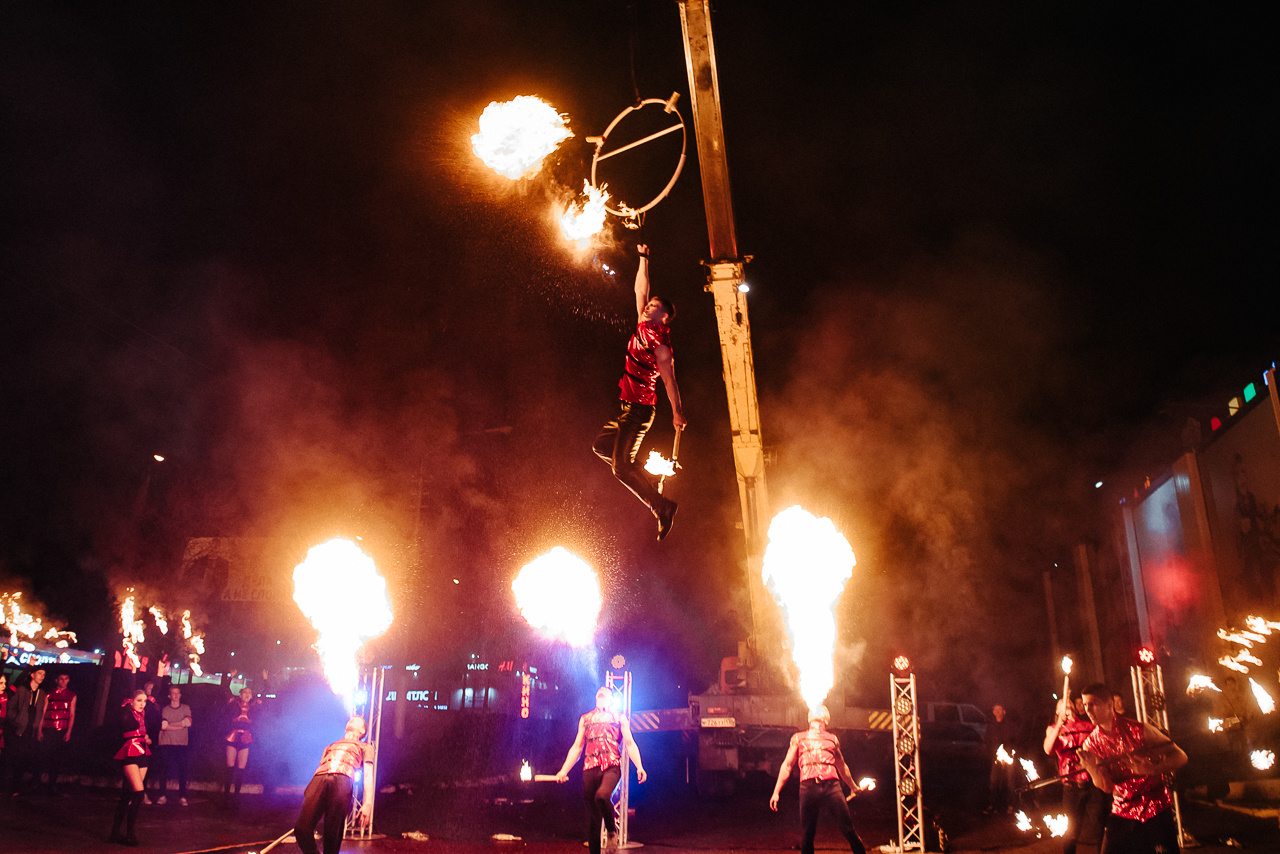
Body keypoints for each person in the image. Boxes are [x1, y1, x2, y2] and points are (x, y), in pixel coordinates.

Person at [592, 243, 686, 541]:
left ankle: (662, 507)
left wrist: (677, 412)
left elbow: (670, 381)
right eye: (651, 304)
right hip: (624, 408)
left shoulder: (661, 345)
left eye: (656, 307)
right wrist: (644, 257)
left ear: (665, 319)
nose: (649, 307)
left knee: (620, 469)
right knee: (602, 448)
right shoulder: (642, 324)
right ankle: (646, 483)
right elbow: (639, 292)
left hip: (639, 410)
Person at [1078, 683, 1187, 854]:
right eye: (1085, 705)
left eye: (1094, 704)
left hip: (1156, 807)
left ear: (1109, 704)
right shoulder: (1090, 745)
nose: (1088, 710)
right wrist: (1092, 769)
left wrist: (1151, 768)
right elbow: (1106, 787)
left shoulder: (1140, 730)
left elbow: (1180, 756)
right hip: (1123, 810)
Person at [554, 686, 647, 854]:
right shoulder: (586, 718)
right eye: (599, 692)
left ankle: (612, 831)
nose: (602, 692)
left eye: (606, 693)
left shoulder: (619, 718)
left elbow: (630, 743)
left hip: (611, 766)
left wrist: (639, 766)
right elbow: (577, 747)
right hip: (590, 768)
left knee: (602, 796)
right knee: (593, 822)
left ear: (611, 699)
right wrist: (564, 770)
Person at [769, 705, 867, 854]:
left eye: (822, 710)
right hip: (808, 787)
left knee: (848, 829)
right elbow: (787, 765)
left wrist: (853, 787)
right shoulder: (798, 738)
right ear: (809, 718)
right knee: (808, 834)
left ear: (826, 720)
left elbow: (842, 766)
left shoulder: (833, 739)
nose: (817, 709)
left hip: (832, 787)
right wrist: (776, 792)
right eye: (815, 710)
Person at [293, 716, 372, 854]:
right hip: (319, 778)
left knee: (332, 834)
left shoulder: (365, 747)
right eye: (352, 718)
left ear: (363, 730)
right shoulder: (330, 745)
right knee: (301, 829)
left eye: (358, 719)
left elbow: (368, 775)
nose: (353, 719)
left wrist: (368, 804)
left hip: (342, 780)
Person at [1043, 695, 1106, 854]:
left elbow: (1101, 747)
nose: (1067, 709)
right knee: (1070, 832)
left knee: (1101, 829)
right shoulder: (1053, 729)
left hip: (1092, 783)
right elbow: (1048, 749)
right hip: (1071, 786)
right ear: (1058, 711)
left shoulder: (1087, 725)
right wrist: (1059, 724)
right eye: (1063, 707)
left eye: (1069, 706)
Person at [109, 689, 152, 846]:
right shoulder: (125, 713)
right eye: (139, 700)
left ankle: (114, 833)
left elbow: (141, 733)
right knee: (139, 794)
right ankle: (129, 834)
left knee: (128, 796)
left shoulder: (143, 715)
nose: (142, 704)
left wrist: (146, 738)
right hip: (129, 753)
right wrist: (133, 670)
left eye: (144, 701)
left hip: (142, 754)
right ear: (131, 701)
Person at [3, 665, 46, 796]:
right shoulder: (22, 690)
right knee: (14, 759)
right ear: (32, 675)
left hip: (31, 732)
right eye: (39, 673)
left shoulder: (42, 693)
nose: (42, 677)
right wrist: (16, 721)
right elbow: (10, 708)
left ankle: (19, 787)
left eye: (43, 674)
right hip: (19, 730)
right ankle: (12, 787)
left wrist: (38, 728)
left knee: (25, 760)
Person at [36, 670, 76, 795]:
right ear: (56, 680)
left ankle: (52, 786)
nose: (63, 681)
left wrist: (68, 731)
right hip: (48, 729)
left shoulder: (72, 695)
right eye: (61, 679)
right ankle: (36, 784)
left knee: (56, 759)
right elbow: (42, 712)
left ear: (68, 680)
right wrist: (39, 730)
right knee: (42, 758)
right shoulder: (49, 695)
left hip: (61, 730)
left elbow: (72, 714)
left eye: (66, 678)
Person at [154, 684, 192, 805]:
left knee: (183, 770)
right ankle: (162, 795)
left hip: (181, 743)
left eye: (177, 693)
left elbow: (188, 723)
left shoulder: (186, 708)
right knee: (164, 770)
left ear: (180, 695)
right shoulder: (165, 709)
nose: (175, 695)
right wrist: (180, 724)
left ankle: (182, 796)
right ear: (169, 696)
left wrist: (170, 726)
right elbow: (163, 726)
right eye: (173, 693)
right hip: (166, 742)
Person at [222, 686, 258, 800]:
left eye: (249, 692)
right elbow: (227, 692)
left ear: (251, 695)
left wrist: (265, 680)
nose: (247, 694)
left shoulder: (254, 706)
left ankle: (236, 795)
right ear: (240, 694)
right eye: (245, 692)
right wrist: (230, 678)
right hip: (233, 736)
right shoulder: (234, 704)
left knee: (241, 768)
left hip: (245, 737)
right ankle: (226, 795)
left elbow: (265, 695)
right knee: (230, 767)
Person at [985, 703, 1016, 814]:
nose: (997, 712)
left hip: (1008, 758)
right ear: (993, 712)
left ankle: (1010, 806)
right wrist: (992, 754)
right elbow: (987, 740)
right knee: (994, 781)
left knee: (1010, 782)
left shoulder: (1009, 725)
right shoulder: (991, 725)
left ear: (1004, 712)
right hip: (996, 759)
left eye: (1000, 710)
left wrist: (1011, 753)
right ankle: (993, 805)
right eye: (995, 710)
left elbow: (1014, 741)